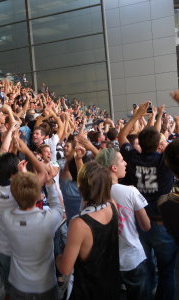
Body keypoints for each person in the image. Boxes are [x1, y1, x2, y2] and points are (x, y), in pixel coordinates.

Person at [118, 101, 176, 299]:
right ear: (159, 145)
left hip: (140, 223)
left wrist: (136, 116)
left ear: (140, 144)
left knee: (148, 266)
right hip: (161, 223)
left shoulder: (133, 159)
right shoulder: (165, 161)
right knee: (167, 272)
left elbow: (121, 136)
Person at [56, 161, 120, 300]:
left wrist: (57, 257)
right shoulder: (112, 206)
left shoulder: (79, 224)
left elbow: (65, 268)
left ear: (81, 188)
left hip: (87, 291)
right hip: (111, 285)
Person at [96, 148, 150, 299]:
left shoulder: (92, 194)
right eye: (121, 161)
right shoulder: (130, 192)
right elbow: (146, 226)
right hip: (132, 259)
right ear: (113, 168)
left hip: (106, 261)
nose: (125, 163)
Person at [3, 168, 62, 300]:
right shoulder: (48, 219)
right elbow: (57, 207)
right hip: (46, 285)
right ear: (38, 196)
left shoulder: (7, 217)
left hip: (18, 284)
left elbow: (14, 200)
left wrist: (21, 180)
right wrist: (50, 183)